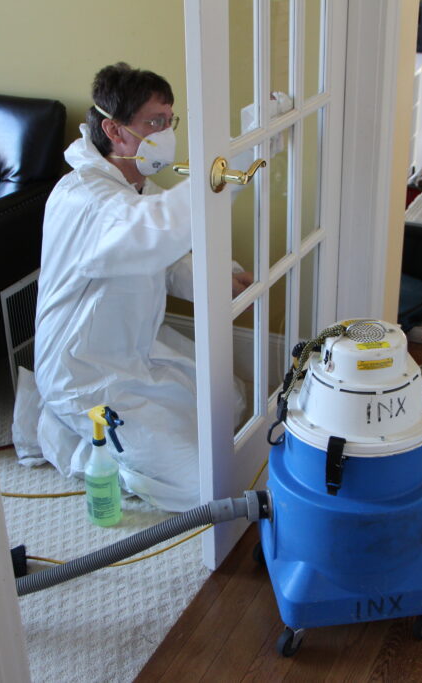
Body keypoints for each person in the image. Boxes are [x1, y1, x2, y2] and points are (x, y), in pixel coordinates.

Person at [18, 63, 251, 512]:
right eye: (154, 123)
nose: (166, 133)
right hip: (82, 374)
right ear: (114, 130)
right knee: (203, 485)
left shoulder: (133, 188)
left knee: (231, 401)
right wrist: (233, 163)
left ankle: (81, 431)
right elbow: (155, 229)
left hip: (130, 351)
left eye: (170, 121)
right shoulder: (86, 200)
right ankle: (68, 437)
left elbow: (164, 257)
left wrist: (223, 277)